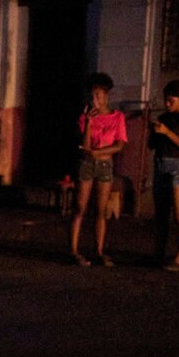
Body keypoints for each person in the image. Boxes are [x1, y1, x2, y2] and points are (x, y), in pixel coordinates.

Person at [69, 72, 125, 267]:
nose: (95, 100)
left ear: (106, 96)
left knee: (101, 210)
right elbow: (85, 146)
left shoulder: (117, 117)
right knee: (80, 207)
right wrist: (89, 123)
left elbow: (119, 145)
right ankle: (74, 250)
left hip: (105, 165)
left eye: (98, 96)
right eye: (92, 96)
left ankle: (99, 251)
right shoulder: (85, 117)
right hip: (86, 164)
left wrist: (98, 152)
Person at [150, 78, 179, 271]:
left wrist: (167, 133)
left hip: (177, 167)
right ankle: (158, 254)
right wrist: (154, 133)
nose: (167, 103)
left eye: (171, 100)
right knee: (161, 214)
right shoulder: (163, 118)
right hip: (160, 164)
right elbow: (153, 145)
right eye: (166, 99)